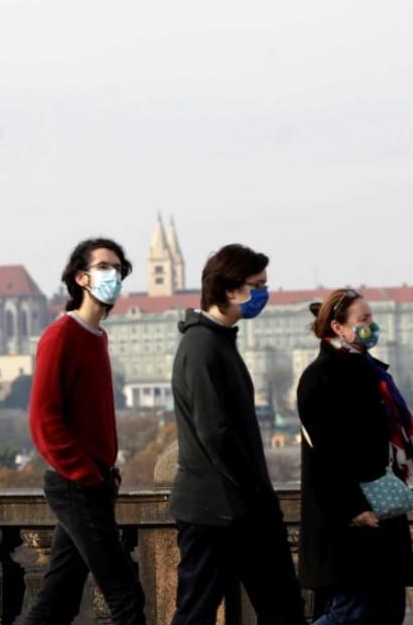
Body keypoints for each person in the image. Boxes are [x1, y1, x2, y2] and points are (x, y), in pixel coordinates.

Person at [169, 244, 306, 624]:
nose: (264, 292)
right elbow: (216, 434)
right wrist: (257, 489)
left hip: (236, 505)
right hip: (218, 508)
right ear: (231, 289)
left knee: (284, 609)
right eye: (257, 284)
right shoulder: (202, 347)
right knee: (197, 613)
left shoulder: (217, 342)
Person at [23, 237, 146, 625]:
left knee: (57, 602)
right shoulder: (61, 336)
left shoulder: (97, 337)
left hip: (92, 480)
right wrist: (86, 473)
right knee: (126, 594)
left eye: (119, 270)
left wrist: (104, 469)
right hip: (76, 484)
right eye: (105, 267)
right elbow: (43, 420)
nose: (114, 276)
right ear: (81, 277)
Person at [297, 288, 413, 625]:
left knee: (386, 612)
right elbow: (325, 456)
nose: (372, 326)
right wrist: (353, 507)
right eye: (364, 320)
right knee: (351, 614)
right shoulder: (319, 378)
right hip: (350, 519)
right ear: (338, 327)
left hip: (382, 508)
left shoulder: (370, 372)